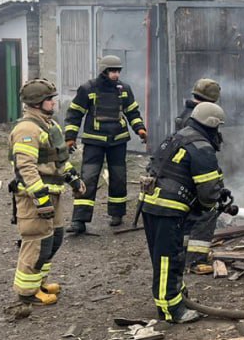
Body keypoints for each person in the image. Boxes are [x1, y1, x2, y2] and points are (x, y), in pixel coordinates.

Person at [139, 101, 234, 323]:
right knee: (168, 259)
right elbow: (208, 191)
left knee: (169, 256)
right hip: (168, 210)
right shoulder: (202, 147)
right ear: (212, 124)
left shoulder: (176, 137)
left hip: (151, 204)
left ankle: (176, 293)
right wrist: (212, 204)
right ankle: (171, 309)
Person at [8, 78, 86, 308]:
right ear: (37, 102)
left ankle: (39, 283)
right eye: (50, 99)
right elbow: (25, 168)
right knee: (37, 242)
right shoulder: (27, 129)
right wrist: (40, 198)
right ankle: (27, 292)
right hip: (34, 198)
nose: (54, 102)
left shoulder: (49, 125)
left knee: (54, 239)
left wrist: (73, 178)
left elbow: (59, 158)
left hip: (53, 193)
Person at [64, 55, 146, 233]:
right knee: (88, 178)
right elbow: (75, 113)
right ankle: (79, 220)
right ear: (104, 71)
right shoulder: (88, 89)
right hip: (94, 142)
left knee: (118, 178)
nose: (116, 74)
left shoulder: (124, 89)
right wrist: (70, 137)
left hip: (118, 141)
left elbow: (132, 111)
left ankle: (117, 214)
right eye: (112, 71)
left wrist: (140, 128)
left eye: (118, 71)